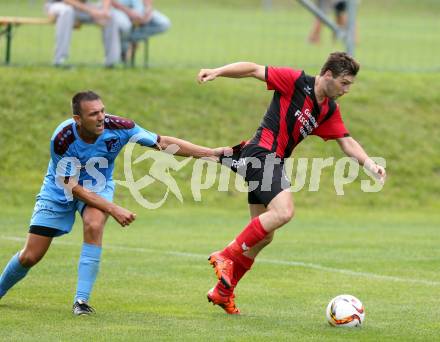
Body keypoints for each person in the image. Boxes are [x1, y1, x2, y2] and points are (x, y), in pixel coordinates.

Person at [0, 91, 229, 315]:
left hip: (98, 186)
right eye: (93, 114)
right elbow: (71, 186)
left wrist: (211, 153)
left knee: (94, 224)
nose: (101, 117)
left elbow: (163, 142)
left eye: (102, 111)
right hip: (59, 190)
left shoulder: (120, 127)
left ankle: (81, 301)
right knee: (31, 255)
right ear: (77, 120)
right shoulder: (62, 138)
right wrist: (114, 208)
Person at [197, 52, 386, 314]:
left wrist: (370, 164)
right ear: (328, 75)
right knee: (284, 212)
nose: (347, 90)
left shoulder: (329, 109)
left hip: (271, 161)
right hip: (262, 154)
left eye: (350, 84)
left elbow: (346, 141)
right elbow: (253, 69)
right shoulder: (296, 81)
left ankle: (223, 291)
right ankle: (226, 255)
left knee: (263, 236)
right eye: (344, 83)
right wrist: (217, 70)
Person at [45, 0, 121, 67]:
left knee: (110, 15)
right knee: (67, 11)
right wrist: (92, 12)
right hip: (58, 5)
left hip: (82, 7)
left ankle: (111, 62)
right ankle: (59, 61)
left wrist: (105, 12)